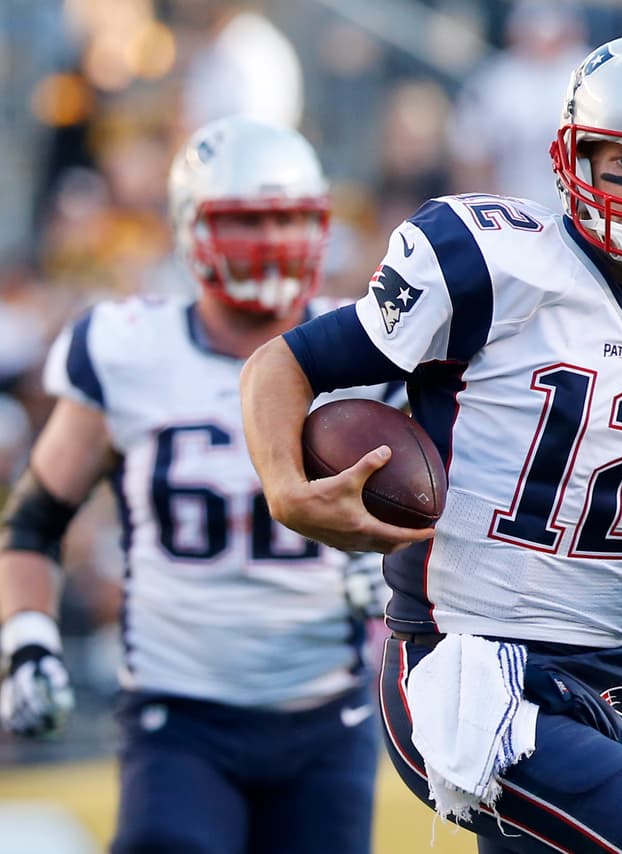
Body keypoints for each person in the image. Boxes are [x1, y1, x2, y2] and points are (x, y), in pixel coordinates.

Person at [239, 33, 622, 853]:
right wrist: (287, 487)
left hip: (605, 677)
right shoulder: (487, 260)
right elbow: (282, 363)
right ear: (575, 154)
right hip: (464, 665)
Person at [0, 116, 399, 854]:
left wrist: (393, 577)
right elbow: (33, 521)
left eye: (289, 218)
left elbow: (447, 520)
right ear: (191, 228)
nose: (272, 238)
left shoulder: (370, 350)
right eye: (248, 219)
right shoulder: (127, 348)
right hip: (178, 711)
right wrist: (28, 639)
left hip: (325, 711)